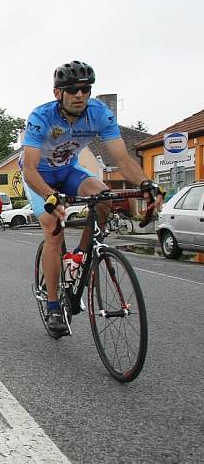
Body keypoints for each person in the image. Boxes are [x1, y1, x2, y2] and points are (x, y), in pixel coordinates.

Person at [22, 60, 163, 336]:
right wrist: (51, 197)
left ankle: (78, 257)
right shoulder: (41, 117)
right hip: (40, 175)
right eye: (72, 89)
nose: (80, 95)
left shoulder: (98, 113)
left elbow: (122, 158)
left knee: (103, 197)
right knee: (53, 228)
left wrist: (147, 184)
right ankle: (53, 306)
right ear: (57, 93)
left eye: (86, 89)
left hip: (69, 170)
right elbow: (28, 168)